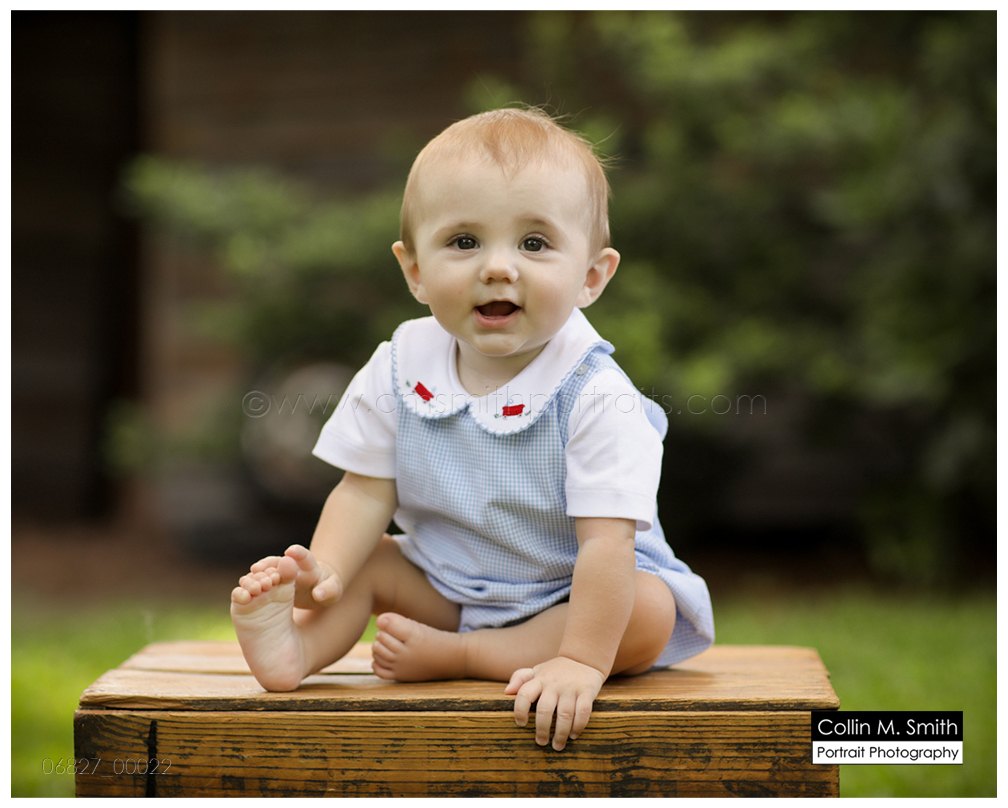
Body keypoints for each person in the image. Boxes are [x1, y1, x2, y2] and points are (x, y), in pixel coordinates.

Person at [231, 107, 714, 752]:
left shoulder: (597, 396)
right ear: (415, 271)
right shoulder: (400, 366)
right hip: (448, 585)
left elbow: (607, 545)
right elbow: (363, 491)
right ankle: (297, 647)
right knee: (374, 560)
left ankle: (465, 655)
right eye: (464, 242)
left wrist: (581, 662)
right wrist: (326, 575)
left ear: (591, 276)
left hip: (568, 600)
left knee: (648, 610)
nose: (497, 267)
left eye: (534, 243)